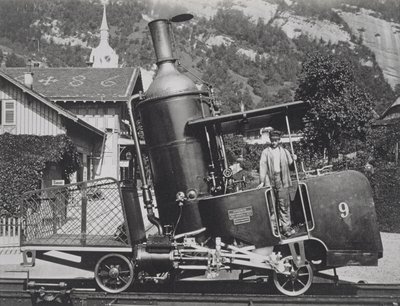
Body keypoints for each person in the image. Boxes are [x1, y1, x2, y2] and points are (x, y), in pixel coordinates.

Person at [257, 130, 296, 237]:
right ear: (270, 140)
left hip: (282, 180)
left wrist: (294, 160)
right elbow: (263, 166)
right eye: (272, 140)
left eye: (276, 140)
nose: (274, 142)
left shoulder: (284, 151)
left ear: (279, 140)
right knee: (272, 206)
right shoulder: (266, 152)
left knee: (284, 205)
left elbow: (292, 166)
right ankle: (274, 229)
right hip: (270, 180)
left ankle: (286, 228)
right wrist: (262, 181)